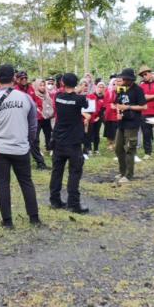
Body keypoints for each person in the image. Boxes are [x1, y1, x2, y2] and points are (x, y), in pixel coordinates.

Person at [0, 64, 41, 228]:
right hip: (21, 148)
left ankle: (7, 222)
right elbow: (33, 125)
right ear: (14, 78)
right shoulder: (26, 98)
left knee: (2, 184)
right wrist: (28, 142)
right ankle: (34, 218)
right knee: (26, 182)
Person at [49, 73, 90, 214]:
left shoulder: (58, 97)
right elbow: (85, 104)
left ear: (62, 83)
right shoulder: (80, 99)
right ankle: (73, 203)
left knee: (57, 172)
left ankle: (55, 200)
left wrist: (76, 90)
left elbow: (69, 95)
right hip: (73, 142)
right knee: (74, 172)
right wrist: (81, 90)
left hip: (59, 140)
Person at [113, 68, 147, 184]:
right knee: (118, 148)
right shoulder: (121, 89)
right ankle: (122, 171)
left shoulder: (138, 90)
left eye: (125, 78)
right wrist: (118, 112)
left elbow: (143, 107)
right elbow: (117, 103)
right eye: (122, 78)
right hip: (121, 123)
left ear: (130, 79)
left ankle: (128, 175)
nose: (123, 80)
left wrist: (128, 108)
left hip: (132, 123)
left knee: (129, 149)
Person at [32, 78, 54, 155]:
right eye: (40, 85)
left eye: (43, 85)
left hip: (46, 118)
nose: (42, 87)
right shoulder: (34, 95)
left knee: (48, 134)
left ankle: (50, 148)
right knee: (36, 136)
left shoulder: (47, 94)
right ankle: (37, 150)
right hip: (37, 118)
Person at [84, 81, 105, 155]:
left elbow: (103, 109)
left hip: (98, 118)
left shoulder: (104, 98)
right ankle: (89, 149)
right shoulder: (91, 96)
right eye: (99, 87)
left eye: (102, 87)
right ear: (96, 87)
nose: (100, 89)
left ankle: (96, 149)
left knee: (97, 134)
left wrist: (99, 117)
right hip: (90, 117)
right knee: (89, 133)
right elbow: (88, 107)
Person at [103, 77, 120, 151]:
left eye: (116, 84)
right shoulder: (108, 91)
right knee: (109, 130)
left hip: (116, 114)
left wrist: (116, 106)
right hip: (108, 114)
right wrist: (110, 105)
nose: (115, 85)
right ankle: (110, 144)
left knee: (115, 130)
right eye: (113, 84)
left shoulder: (120, 91)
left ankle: (115, 144)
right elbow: (105, 103)